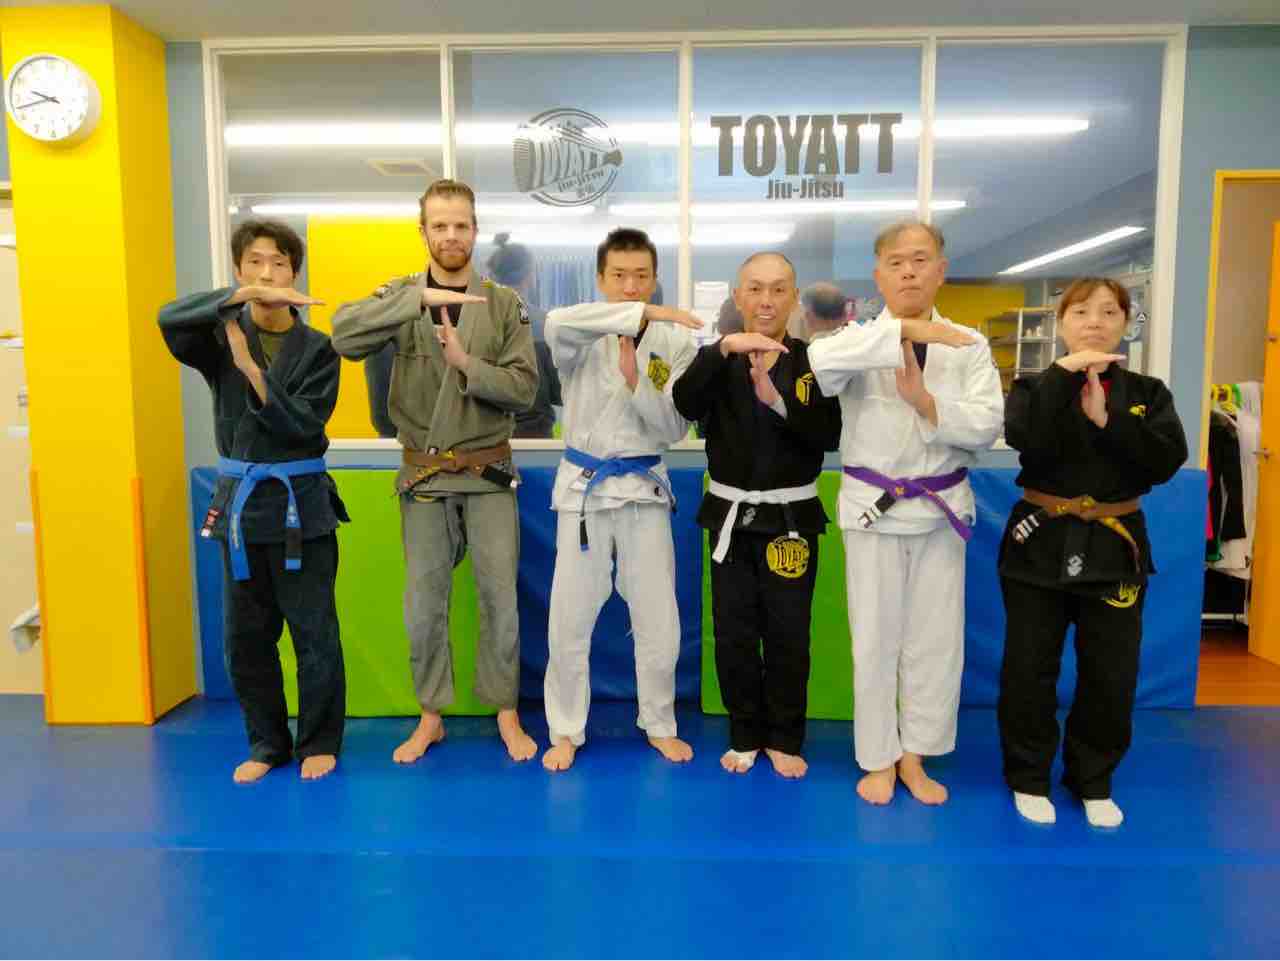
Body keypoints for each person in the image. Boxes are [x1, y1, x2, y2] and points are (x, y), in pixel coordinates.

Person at [330, 179, 540, 764]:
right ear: (422, 231)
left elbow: (525, 389)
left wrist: (466, 363)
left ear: (475, 230)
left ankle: (506, 711)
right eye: (440, 225)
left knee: (500, 598)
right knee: (424, 603)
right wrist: (413, 302)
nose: (451, 235)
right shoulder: (398, 295)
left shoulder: (503, 304)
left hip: (489, 472)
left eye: (461, 225)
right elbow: (342, 335)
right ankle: (430, 716)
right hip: (424, 475)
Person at [807, 220, 1003, 806]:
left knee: (935, 643)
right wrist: (906, 332)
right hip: (873, 511)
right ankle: (877, 758)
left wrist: (926, 403)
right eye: (896, 262)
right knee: (874, 640)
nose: (909, 271)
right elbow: (819, 363)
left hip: (941, 511)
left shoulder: (968, 343)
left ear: (941, 270)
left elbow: (987, 425)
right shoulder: (856, 339)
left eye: (920, 260)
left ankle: (915, 755)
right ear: (878, 275)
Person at [158, 220, 348, 784]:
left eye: (279, 263)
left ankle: (319, 742)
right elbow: (168, 318)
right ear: (239, 271)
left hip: (301, 505)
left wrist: (251, 371)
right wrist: (234, 303)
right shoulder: (219, 337)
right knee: (245, 640)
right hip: (240, 508)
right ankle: (267, 744)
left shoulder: (318, 349)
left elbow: (305, 426)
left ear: (295, 273)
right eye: (255, 263)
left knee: (314, 634)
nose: (268, 273)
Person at [998, 277, 1187, 828]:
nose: (1095, 322)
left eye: (1108, 312)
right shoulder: (1033, 386)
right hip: (1040, 539)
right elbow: (1025, 438)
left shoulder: (1148, 393)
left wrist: (1109, 422)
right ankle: (1029, 776)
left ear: (1125, 323)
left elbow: (1165, 461)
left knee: (1111, 670)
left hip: (1114, 542)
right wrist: (1064, 377)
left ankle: (1093, 779)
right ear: (1061, 324)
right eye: (1080, 312)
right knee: (1029, 666)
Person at [672, 253, 841, 778]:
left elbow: (830, 433)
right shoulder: (718, 360)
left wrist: (780, 403)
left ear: (794, 298)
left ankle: (785, 737)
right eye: (755, 289)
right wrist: (722, 348)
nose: (767, 301)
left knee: (789, 632)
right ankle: (745, 732)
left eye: (778, 289)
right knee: (734, 631)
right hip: (730, 515)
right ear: (738, 296)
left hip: (792, 517)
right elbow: (684, 402)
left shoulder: (813, 362)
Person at [540, 228, 702, 772]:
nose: (631, 286)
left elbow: (674, 428)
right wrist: (638, 315)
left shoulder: (675, 343)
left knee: (658, 617)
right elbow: (554, 323)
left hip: (644, 490)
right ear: (600, 279)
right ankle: (565, 729)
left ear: (655, 277)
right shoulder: (578, 333)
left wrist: (638, 385)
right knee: (569, 617)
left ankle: (660, 723)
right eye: (619, 276)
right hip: (583, 494)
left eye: (641, 276)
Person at [487, 234, 562, 439]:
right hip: (534, 437)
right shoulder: (544, 323)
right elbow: (558, 391)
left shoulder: (472, 322)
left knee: (495, 469)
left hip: (486, 439)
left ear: (492, 277)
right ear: (529, 276)